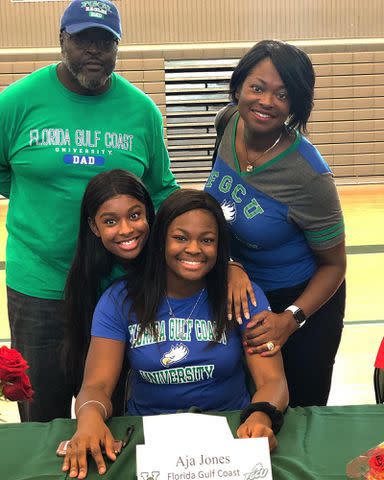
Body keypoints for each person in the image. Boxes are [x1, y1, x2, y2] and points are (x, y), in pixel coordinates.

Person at [0, 0, 178, 422]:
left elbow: (160, 189)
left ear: (118, 47)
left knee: (112, 404)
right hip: (41, 285)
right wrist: (36, 199)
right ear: (62, 40)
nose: (94, 50)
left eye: (105, 41)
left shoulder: (141, 111)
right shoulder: (17, 102)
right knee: (41, 408)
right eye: (83, 39)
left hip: (117, 287)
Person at [62, 189, 288, 479]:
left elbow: (273, 380)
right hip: (148, 432)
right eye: (180, 237)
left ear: (220, 248)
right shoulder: (120, 299)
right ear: (160, 242)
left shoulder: (242, 296)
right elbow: (97, 386)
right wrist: (89, 417)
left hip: (232, 430)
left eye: (207, 240)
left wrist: (260, 415)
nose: (194, 249)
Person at [205, 40, 346, 407]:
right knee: (247, 404)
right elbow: (222, 210)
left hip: (299, 303)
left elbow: (335, 266)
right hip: (242, 293)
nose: (266, 101)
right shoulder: (229, 123)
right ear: (238, 88)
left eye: (282, 95)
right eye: (257, 87)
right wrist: (231, 263)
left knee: (298, 412)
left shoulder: (310, 177)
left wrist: (291, 319)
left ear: (295, 105)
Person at [63, 169, 156, 414]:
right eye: (110, 221)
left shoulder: (166, 259)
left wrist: (233, 267)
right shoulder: (88, 277)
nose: (126, 230)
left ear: (148, 211)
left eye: (135, 215)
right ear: (94, 226)